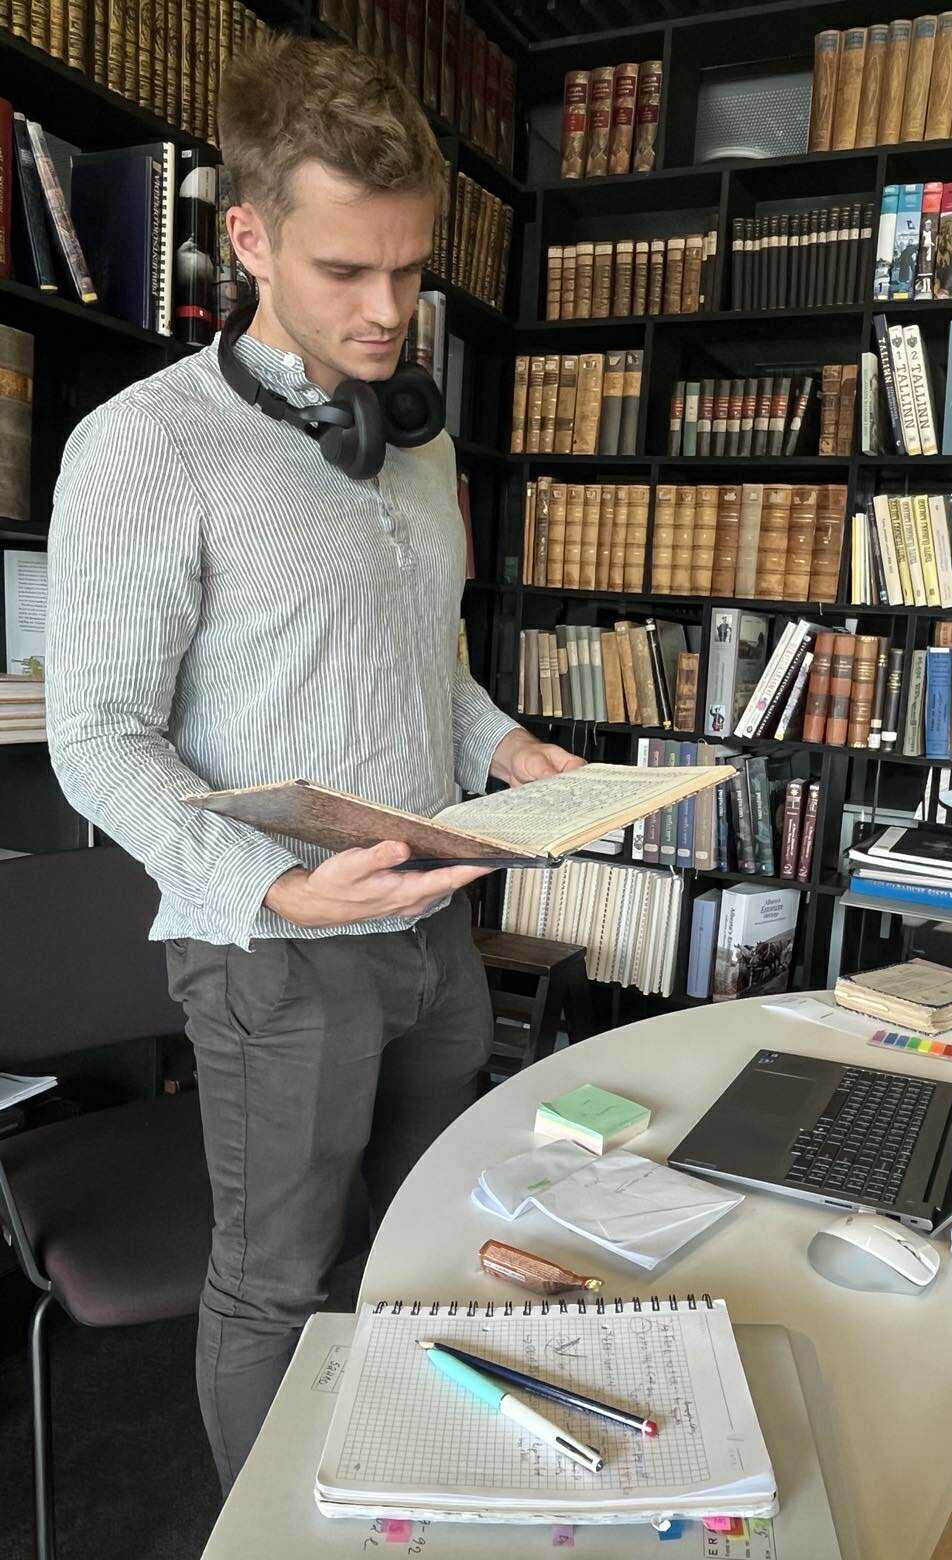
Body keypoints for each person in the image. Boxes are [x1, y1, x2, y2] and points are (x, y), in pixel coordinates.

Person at [44, 33, 581, 1496]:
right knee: (274, 1281)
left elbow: (428, 657)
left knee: (412, 1241)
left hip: (435, 926)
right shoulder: (142, 447)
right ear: (248, 236)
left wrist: (498, 740)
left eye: (410, 273)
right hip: (275, 953)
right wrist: (269, 896)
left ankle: (404, 1489)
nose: (387, 312)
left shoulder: (412, 440)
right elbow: (95, 736)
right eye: (347, 271)